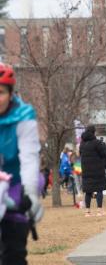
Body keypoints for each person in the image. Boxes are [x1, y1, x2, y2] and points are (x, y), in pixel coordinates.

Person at [0, 63, 43, 264]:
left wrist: (31, 193)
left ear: (10, 93)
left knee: (14, 251)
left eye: (0, 92)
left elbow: (29, 157)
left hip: (17, 182)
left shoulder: (23, 116)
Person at [79, 125, 106, 217]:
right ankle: (99, 211)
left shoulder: (82, 144)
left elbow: (80, 155)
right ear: (93, 132)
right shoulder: (97, 143)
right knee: (99, 190)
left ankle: (87, 212)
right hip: (97, 170)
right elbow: (103, 154)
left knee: (88, 191)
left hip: (86, 170)